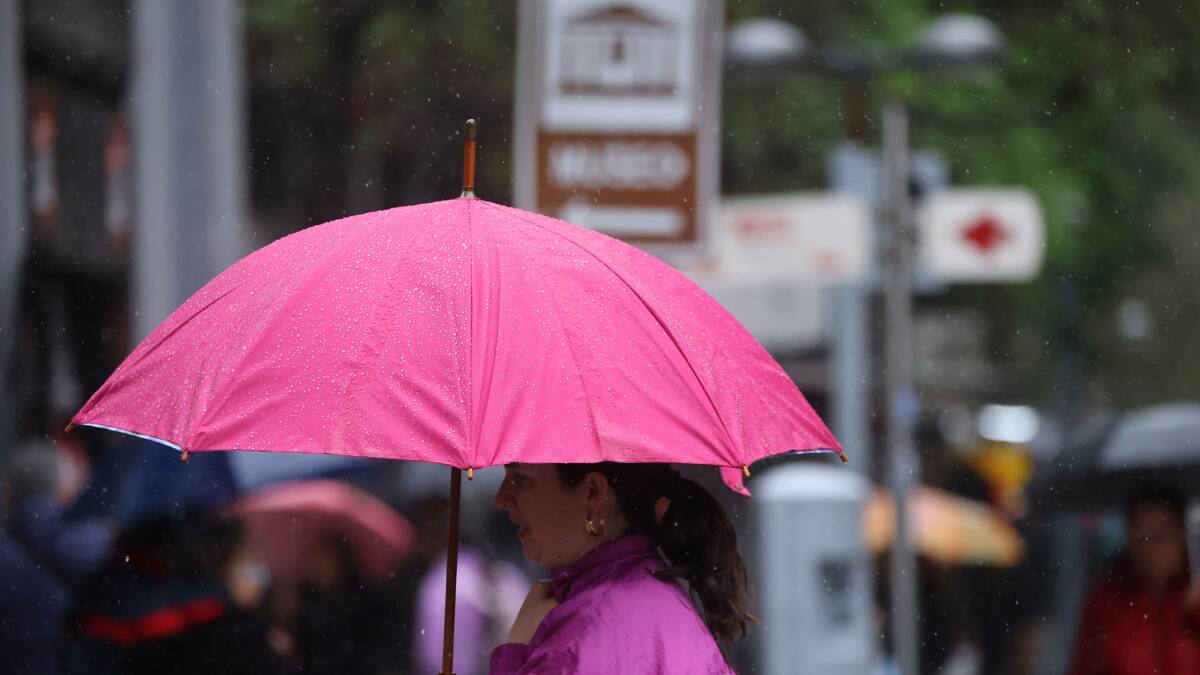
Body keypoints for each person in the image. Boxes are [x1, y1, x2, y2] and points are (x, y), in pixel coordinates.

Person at [489, 462, 750, 674]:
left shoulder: (585, 635)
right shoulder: (660, 597)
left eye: (521, 478)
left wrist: (515, 653)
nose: (501, 498)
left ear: (593, 493)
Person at [1067, 485, 1200, 675]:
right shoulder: (1106, 601)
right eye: (1141, 537)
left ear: (1181, 535)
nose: (1151, 548)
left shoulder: (1194, 593)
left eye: (1160, 535)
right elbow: (1084, 666)